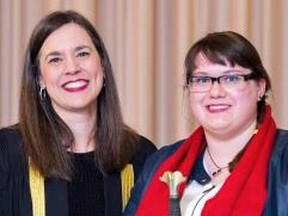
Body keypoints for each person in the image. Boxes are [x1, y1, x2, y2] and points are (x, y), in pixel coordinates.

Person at [0, 10, 156, 216]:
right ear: (40, 78)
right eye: (55, 59)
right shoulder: (6, 153)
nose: (72, 68)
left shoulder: (141, 155)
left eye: (82, 53)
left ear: (102, 65)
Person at [124, 31, 288, 216]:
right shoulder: (160, 163)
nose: (215, 92)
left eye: (231, 78)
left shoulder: (283, 161)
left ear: (260, 87)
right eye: (202, 80)